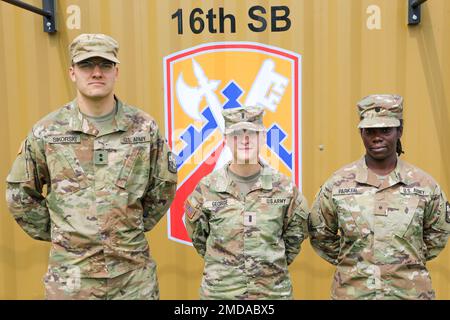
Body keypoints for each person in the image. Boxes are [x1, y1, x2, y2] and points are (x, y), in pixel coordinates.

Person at [5, 33, 177, 300]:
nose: (96, 73)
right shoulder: (48, 131)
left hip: (132, 277)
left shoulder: (144, 128)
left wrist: (127, 228)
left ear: (116, 72)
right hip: (71, 278)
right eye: (87, 65)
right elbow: (20, 194)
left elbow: (163, 187)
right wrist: (64, 233)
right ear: (72, 73)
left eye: (105, 65)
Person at [309, 94, 450, 300]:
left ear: (399, 131)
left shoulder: (424, 185)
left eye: (385, 130)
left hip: (410, 293)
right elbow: (320, 235)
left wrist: (402, 262)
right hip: (354, 293)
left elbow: (438, 235)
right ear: (361, 133)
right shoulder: (338, 184)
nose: (377, 137)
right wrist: (355, 262)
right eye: (369, 131)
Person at [185, 106, 309, 299]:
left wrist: (267, 268)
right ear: (226, 140)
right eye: (236, 134)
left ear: (263, 138)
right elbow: (200, 238)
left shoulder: (284, 189)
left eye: (252, 133)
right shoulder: (207, 189)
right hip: (221, 294)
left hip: (271, 293)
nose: (244, 140)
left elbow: (294, 238)